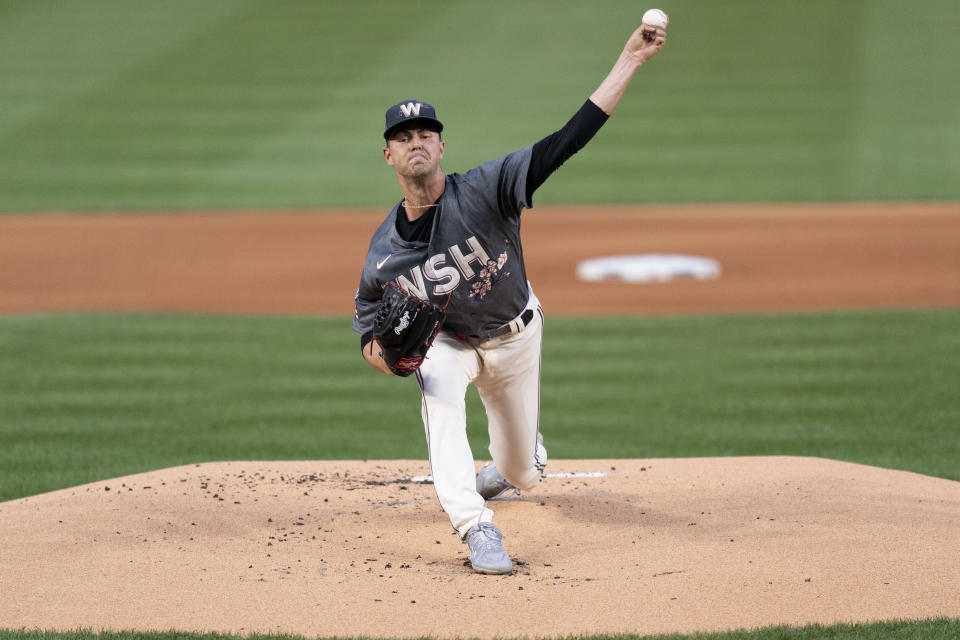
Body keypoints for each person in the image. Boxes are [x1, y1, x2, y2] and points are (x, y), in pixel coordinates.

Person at [353, 21, 667, 574]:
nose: (416, 142)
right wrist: (394, 361)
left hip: (517, 335)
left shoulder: (488, 188)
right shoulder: (383, 255)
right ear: (389, 156)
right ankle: (477, 528)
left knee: (523, 473)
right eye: (404, 137)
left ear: (441, 145)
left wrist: (629, 61)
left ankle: (516, 465)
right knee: (437, 388)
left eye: (425, 133)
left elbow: (568, 139)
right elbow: (370, 340)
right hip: (451, 343)